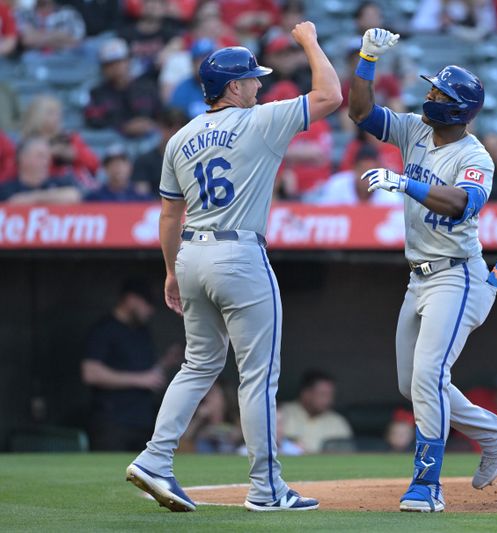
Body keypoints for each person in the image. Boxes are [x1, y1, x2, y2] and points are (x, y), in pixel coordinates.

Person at [125, 21, 342, 513]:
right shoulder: (259, 120)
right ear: (233, 87)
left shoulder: (179, 138)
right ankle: (266, 489)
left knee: (198, 364)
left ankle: (156, 457)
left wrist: (170, 271)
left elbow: (169, 215)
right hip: (239, 254)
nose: (259, 84)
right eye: (251, 78)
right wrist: (308, 41)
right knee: (258, 376)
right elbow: (330, 95)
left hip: (191, 254)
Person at [348, 28, 497, 513]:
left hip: (457, 274)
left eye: (439, 94)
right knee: (413, 385)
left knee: (428, 377)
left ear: (459, 108)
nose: (429, 97)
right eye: (431, 90)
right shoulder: (415, 130)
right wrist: (366, 60)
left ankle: (427, 486)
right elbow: (361, 113)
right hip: (418, 276)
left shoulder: (475, 156)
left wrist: (405, 182)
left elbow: (462, 205)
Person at [81, 279, 183, 451]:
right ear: (131, 299)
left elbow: (148, 375)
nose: (150, 310)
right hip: (113, 423)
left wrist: (166, 362)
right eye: (147, 303)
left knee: (141, 474)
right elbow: (90, 373)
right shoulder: (105, 329)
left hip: (142, 421)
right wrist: (140, 379)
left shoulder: (142, 331)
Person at [84, 38, 162, 138]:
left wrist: (150, 123)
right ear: (103, 68)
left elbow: (162, 113)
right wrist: (123, 127)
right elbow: (93, 121)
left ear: (128, 61)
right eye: (110, 64)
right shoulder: (96, 93)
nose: (116, 67)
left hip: (150, 139)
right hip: (112, 144)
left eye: (119, 62)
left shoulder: (147, 87)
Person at [21, 94, 99, 189]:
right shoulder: (29, 143)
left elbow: (94, 164)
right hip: (47, 188)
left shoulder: (69, 138)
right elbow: (28, 172)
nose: (57, 117)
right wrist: (49, 153)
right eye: (51, 113)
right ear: (37, 115)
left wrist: (76, 155)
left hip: (78, 185)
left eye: (58, 113)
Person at [278, 370, 354, 454]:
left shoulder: (338, 421)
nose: (328, 400)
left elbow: (347, 454)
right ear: (306, 394)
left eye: (330, 395)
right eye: (323, 394)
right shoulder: (281, 413)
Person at [303, 143, 402, 206]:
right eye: (363, 170)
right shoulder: (337, 184)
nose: (368, 178)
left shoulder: (389, 193)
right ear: (354, 169)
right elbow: (323, 216)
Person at [0, 136, 81, 203]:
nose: (46, 161)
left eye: (48, 156)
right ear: (22, 158)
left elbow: (74, 195)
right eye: (40, 156)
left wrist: (32, 198)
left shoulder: (60, 182)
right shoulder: (6, 189)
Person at [85, 145, 153, 202]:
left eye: (121, 163)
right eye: (112, 164)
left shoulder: (141, 197)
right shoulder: (95, 198)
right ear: (105, 169)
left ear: (130, 167)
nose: (118, 168)